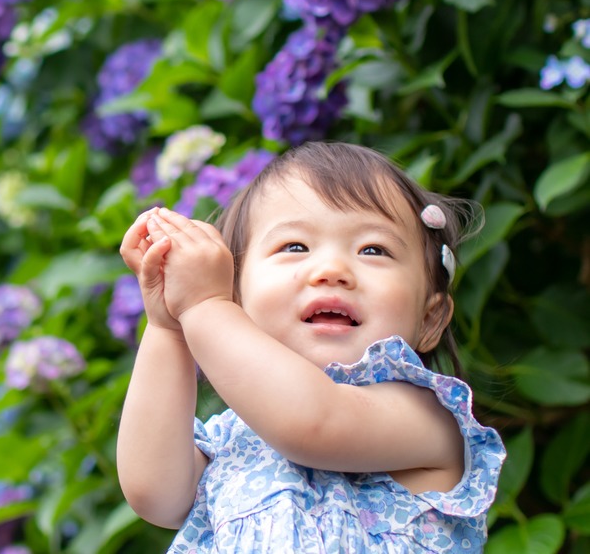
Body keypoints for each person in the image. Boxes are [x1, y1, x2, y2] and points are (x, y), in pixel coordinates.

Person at [116, 141, 505, 552]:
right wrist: (169, 325)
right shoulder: (232, 440)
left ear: (429, 320)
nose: (331, 270)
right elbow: (153, 492)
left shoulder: (425, 417)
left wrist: (202, 305)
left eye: (373, 249)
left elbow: (313, 422)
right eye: (295, 247)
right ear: (238, 300)